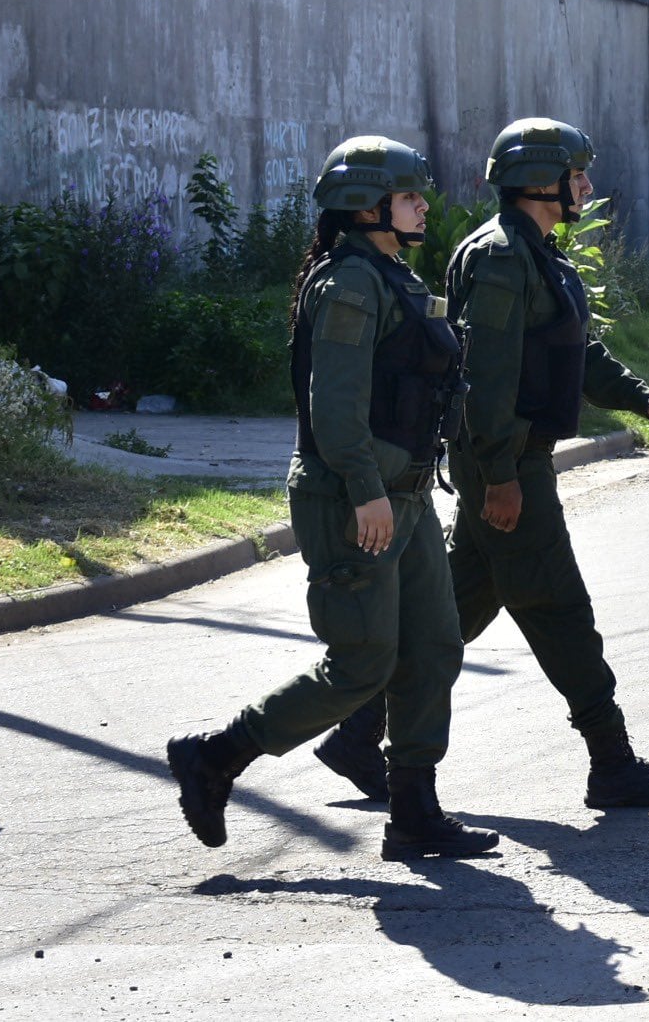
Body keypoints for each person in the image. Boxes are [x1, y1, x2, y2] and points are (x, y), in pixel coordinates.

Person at [315, 119, 649, 811]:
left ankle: (358, 731)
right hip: (507, 463)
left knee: (453, 612)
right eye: (575, 174)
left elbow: (573, 353)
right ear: (537, 182)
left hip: (512, 460)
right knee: (559, 608)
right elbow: (487, 380)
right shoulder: (499, 259)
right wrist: (497, 476)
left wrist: (644, 400)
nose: (586, 184)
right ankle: (610, 760)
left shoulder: (538, 256)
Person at [166, 137, 496, 860]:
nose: (422, 206)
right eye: (409, 196)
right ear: (368, 206)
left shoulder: (391, 276)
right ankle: (216, 756)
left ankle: (413, 812)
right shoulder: (348, 283)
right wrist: (366, 492)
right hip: (356, 499)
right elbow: (335, 411)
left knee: (434, 646)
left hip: (403, 498)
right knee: (361, 663)